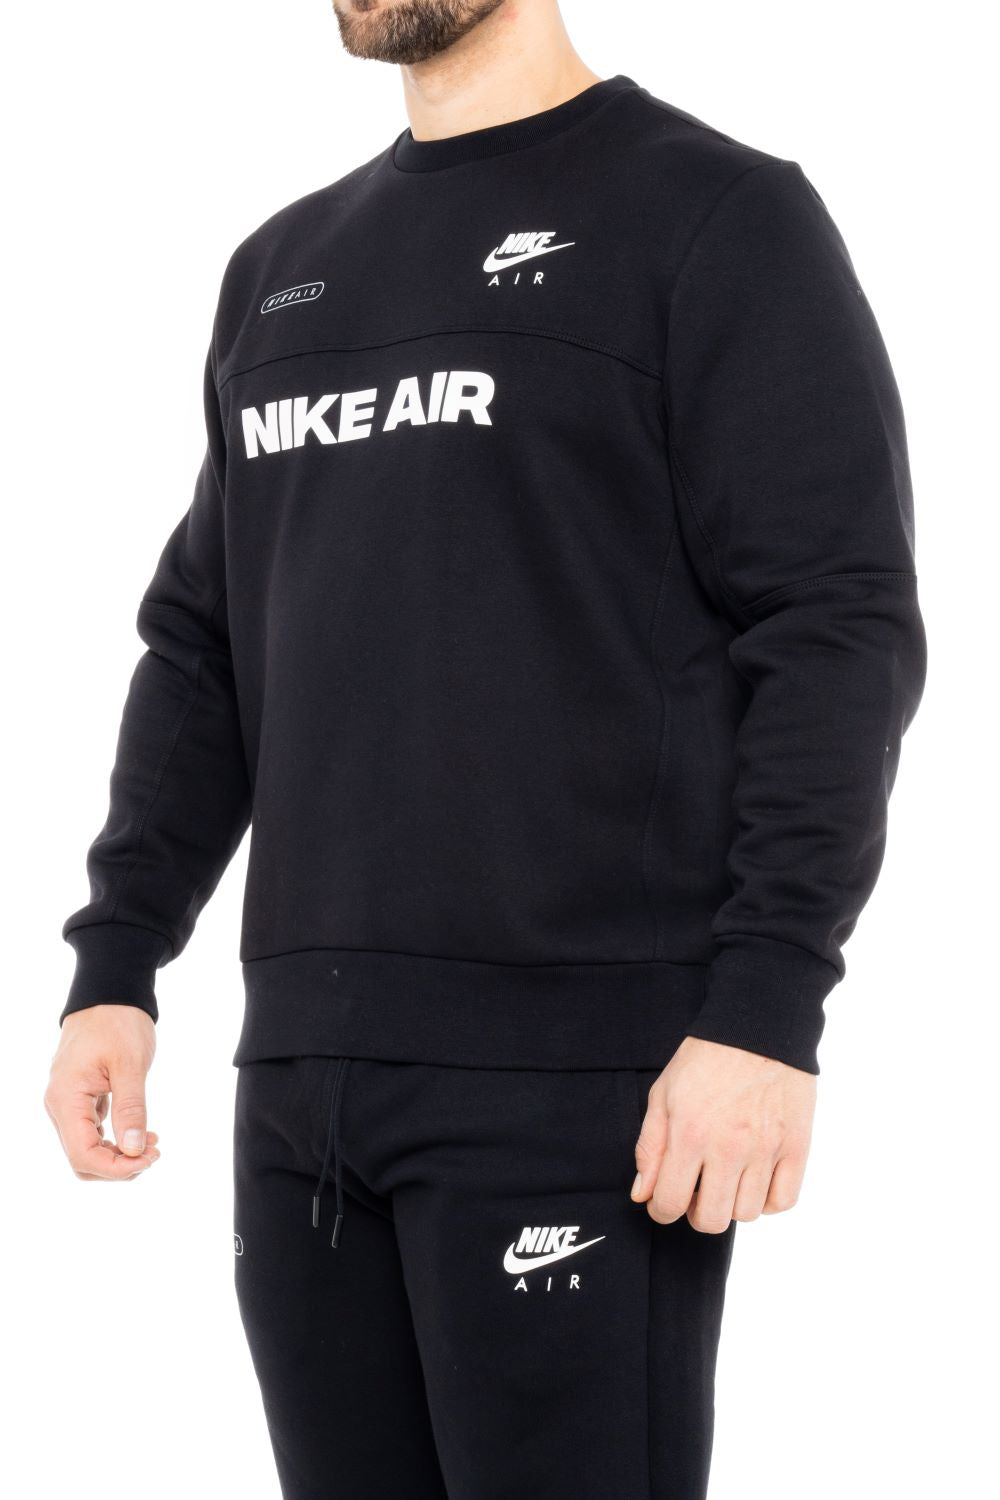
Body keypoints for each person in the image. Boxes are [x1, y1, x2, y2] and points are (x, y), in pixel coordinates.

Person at [44, 2, 926, 1495]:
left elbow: (838, 629)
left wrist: (769, 1008)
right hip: (302, 1085)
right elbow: (205, 644)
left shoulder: (715, 217)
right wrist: (117, 963)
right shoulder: (279, 267)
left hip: (578, 1082)